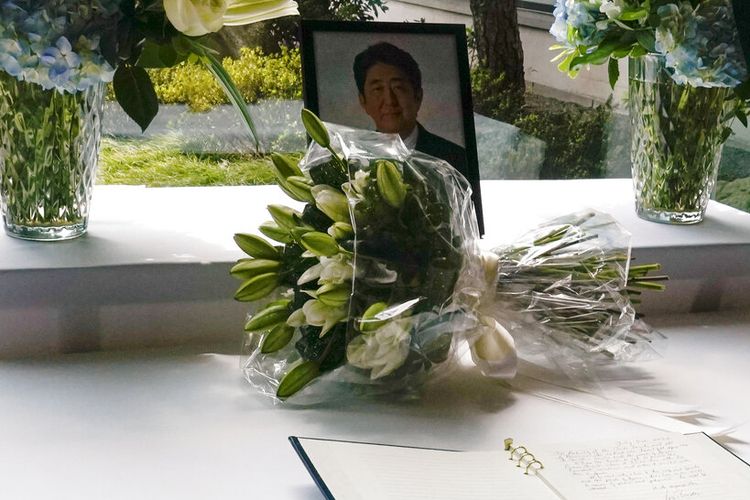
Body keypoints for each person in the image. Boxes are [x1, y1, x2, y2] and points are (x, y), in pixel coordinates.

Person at [352, 41, 468, 178]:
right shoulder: (353, 161)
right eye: (378, 89)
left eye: (398, 88)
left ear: (418, 96)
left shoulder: (457, 158)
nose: (390, 100)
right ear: (363, 101)